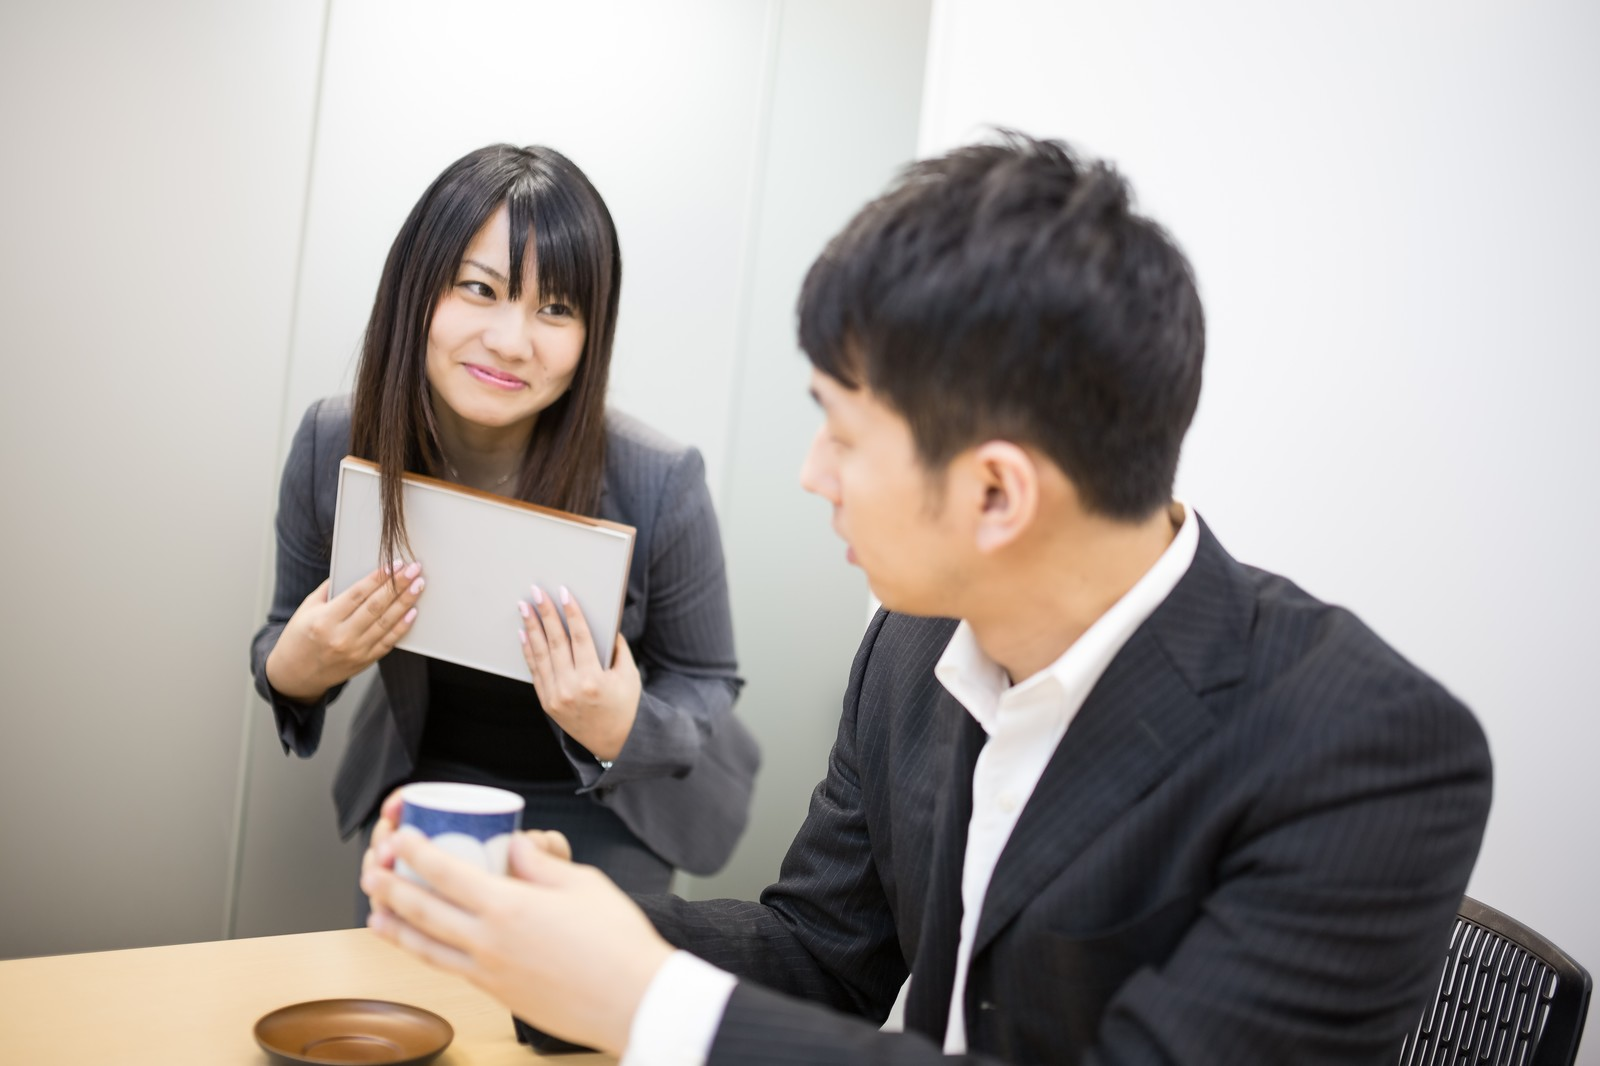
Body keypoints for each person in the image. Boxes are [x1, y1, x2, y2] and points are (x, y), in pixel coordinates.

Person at [358, 133, 1493, 1064]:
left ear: (996, 491)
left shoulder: (1367, 756)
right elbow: (820, 949)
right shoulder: (912, 643)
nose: (813, 474)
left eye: (842, 433)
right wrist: (584, 930)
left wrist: (648, 996)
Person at [249, 144, 760, 901]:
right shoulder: (336, 443)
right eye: (479, 289)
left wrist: (620, 723)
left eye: (555, 308)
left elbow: (706, 680)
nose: (513, 341)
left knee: (575, 1010)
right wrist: (302, 667)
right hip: (430, 775)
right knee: (411, 997)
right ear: (416, 291)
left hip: (613, 800)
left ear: (592, 334)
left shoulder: (658, 477)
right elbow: (281, 639)